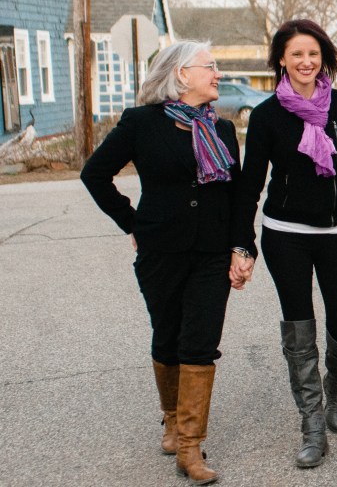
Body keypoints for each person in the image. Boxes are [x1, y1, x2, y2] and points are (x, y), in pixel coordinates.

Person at [81, 41, 242, 485]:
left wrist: (240, 248)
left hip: (211, 252)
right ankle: (171, 421)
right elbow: (95, 174)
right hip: (160, 252)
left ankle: (190, 447)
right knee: (168, 336)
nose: (218, 74)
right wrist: (132, 222)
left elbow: (235, 195)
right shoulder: (141, 123)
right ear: (181, 74)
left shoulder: (223, 129)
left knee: (200, 342)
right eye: (210, 66)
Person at [230, 20, 337, 467]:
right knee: (299, 327)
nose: (306, 61)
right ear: (282, 60)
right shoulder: (267, 114)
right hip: (286, 233)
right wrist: (242, 242)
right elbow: (251, 183)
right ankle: (312, 424)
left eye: (313, 53)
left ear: (323, 57)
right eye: (296, 54)